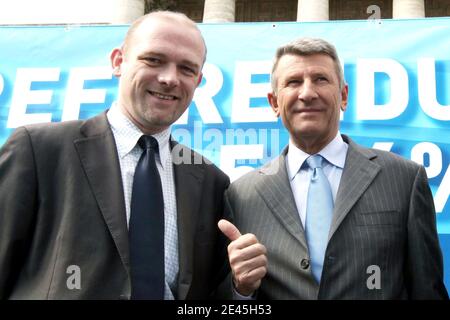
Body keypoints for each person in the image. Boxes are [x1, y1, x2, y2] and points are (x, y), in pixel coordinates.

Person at [0, 11, 231, 300]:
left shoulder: (211, 181)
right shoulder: (37, 150)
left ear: (198, 81)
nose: (170, 78)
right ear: (118, 62)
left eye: (186, 69)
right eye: (154, 60)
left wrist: (242, 291)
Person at [222, 37, 449, 299]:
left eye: (320, 79)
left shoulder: (404, 179)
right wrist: (241, 290)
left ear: (343, 96)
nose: (307, 93)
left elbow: (427, 289)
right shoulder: (241, 195)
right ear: (274, 102)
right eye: (294, 82)